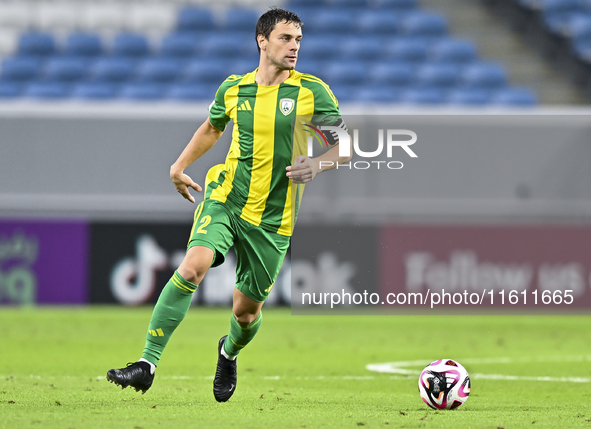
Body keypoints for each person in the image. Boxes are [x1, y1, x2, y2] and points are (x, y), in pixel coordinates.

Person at [106, 7, 351, 402]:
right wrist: (179, 165)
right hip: (227, 197)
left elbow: (345, 146)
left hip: (273, 219)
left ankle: (228, 351)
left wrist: (316, 164)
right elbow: (212, 127)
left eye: (299, 40)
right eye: (286, 38)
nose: (294, 47)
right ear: (262, 40)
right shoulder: (234, 89)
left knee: (245, 313)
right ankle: (146, 364)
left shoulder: (311, 91)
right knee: (193, 266)